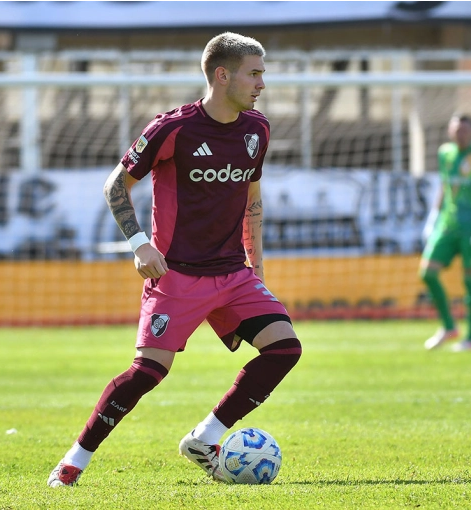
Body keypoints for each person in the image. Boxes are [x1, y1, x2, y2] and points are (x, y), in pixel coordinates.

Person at [47, 32, 302, 487]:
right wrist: (139, 243)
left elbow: (253, 202)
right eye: (255, 73)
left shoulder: (257, 129)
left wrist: (257, 271)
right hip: (177, 276)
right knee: (147, 373)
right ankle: (75, 460)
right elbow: (115, 186)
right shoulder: (172, 128)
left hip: (233, 275)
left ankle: (206, 437)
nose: (262, 83)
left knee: (284, 348)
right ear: (222, 76)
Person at [419, 114, 471, 352]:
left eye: (464, 130)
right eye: (456, 130)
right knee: (427, 273)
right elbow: (444, 184)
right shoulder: (445, 153)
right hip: (447, 223)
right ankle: (449, 326)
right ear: (450, 132)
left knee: (470, 279)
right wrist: (433, 216)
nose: (459, 134)